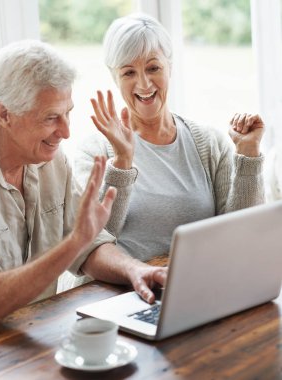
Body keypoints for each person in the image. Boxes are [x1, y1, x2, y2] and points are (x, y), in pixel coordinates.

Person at [0, 39, 167, 327]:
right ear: (4, 114)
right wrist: (74, 243)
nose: (66, 132)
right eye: (51, 118)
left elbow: (89, 245)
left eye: (68, 112)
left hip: (35, 334)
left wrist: (135, 270)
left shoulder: (51, 161)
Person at [74, 13, 265, 262]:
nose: (143, 84)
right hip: (120, 293)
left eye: (153, 68)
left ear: (170, 66)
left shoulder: (209, 144)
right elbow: (91, 242)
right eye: (129, 73)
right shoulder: (94, 151)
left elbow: (242, 235)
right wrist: (122, 161)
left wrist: (248, 154)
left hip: (195, 288)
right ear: (114, 77)